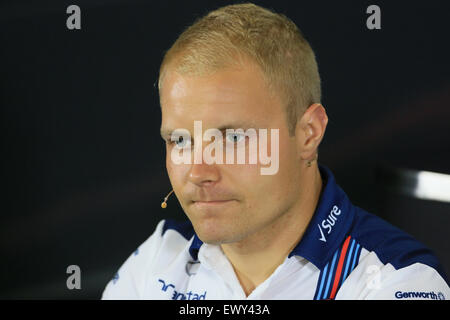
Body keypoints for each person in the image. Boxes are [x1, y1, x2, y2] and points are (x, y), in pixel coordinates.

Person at [102, 3, 449, 300]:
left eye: (233, 138)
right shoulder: (160, 258)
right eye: (180, 140)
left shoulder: (396, 280)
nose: (197, 172)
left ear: (308, 134)